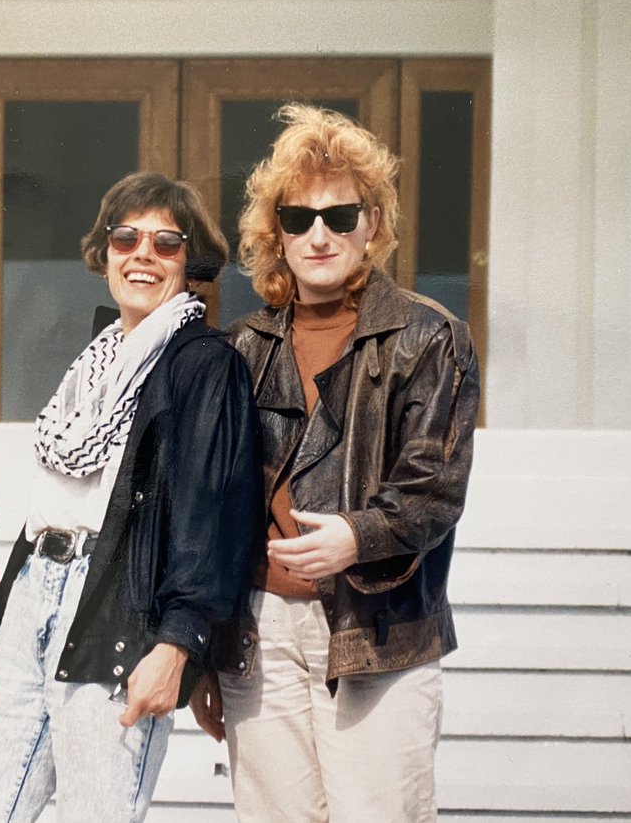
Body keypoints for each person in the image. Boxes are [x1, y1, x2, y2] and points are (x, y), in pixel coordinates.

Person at [191, 104, 480, 822]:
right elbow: (213, 505)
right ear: (276, 233)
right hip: (259, 633)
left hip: (375, 628)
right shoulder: (242, 345)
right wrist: (205, 646)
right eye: (298, 219)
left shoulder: (429, 336)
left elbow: (433, 487)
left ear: (372, 225)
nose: (318, 235)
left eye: (340, 215)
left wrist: (357, 535)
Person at [0, 172, 262, 823]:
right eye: (125, 237)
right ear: (103, 252)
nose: (142, 254)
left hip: (116, 612)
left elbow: (213, 518)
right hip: (33, 600)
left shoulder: (203, 364)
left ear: (191, 262)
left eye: (166, 243)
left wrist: (178, 643)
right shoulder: (100, 361)